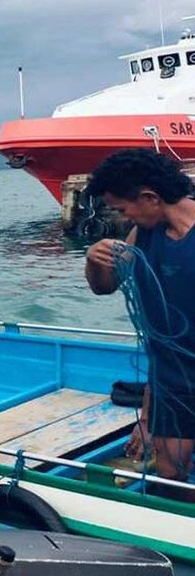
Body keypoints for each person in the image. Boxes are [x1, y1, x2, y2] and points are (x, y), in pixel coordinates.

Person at [84, 148, 195, 500]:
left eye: (122, 208)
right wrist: (94, 259)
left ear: (149, 197)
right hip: (172, 375)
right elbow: (105, 286)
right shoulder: (143, 234)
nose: (121, 217)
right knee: (170, 473)